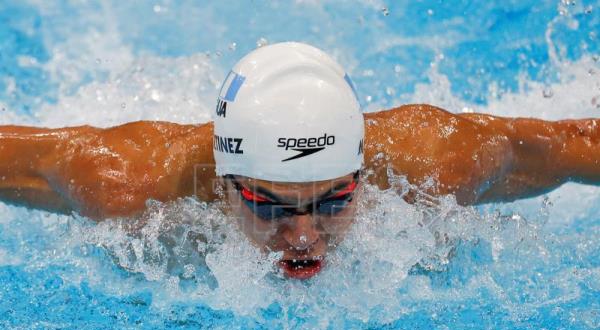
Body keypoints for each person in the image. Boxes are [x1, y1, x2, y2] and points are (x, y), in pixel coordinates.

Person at [0, 42, 598, 279]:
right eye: (269, 205)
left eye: (334, 200)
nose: (305, 236)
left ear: (361, 174)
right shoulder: (129, 184)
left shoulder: (438, 165)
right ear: (226, 183)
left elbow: (574, 144)